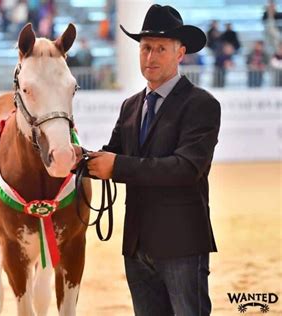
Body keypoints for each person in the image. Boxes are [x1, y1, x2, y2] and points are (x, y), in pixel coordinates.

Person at [75, 5, 220, 315]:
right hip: (137, 246)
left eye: (160, 49)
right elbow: (112, 153)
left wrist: (117, 166)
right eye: (145, 48)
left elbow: (186, 169)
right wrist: (79, 157)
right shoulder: (131, 106)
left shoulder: (201, 105)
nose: (150, 57)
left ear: (180, 53)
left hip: (182, 244)